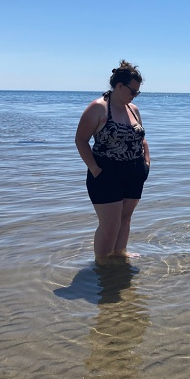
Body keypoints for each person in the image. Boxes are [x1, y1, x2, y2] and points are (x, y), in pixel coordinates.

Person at [75, 60, 150, 263]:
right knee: (110, 224)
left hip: (134, 172)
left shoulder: (133, 110)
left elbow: (142, 139)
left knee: (125, 219)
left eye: (137, 92)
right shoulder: (98, 108)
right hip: (106, 172)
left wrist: (146, 165)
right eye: (133, 91)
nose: (135, 95)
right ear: (119, 86)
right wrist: (95, 169)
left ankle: (119, 255)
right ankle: (102, 264)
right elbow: (81, 140)